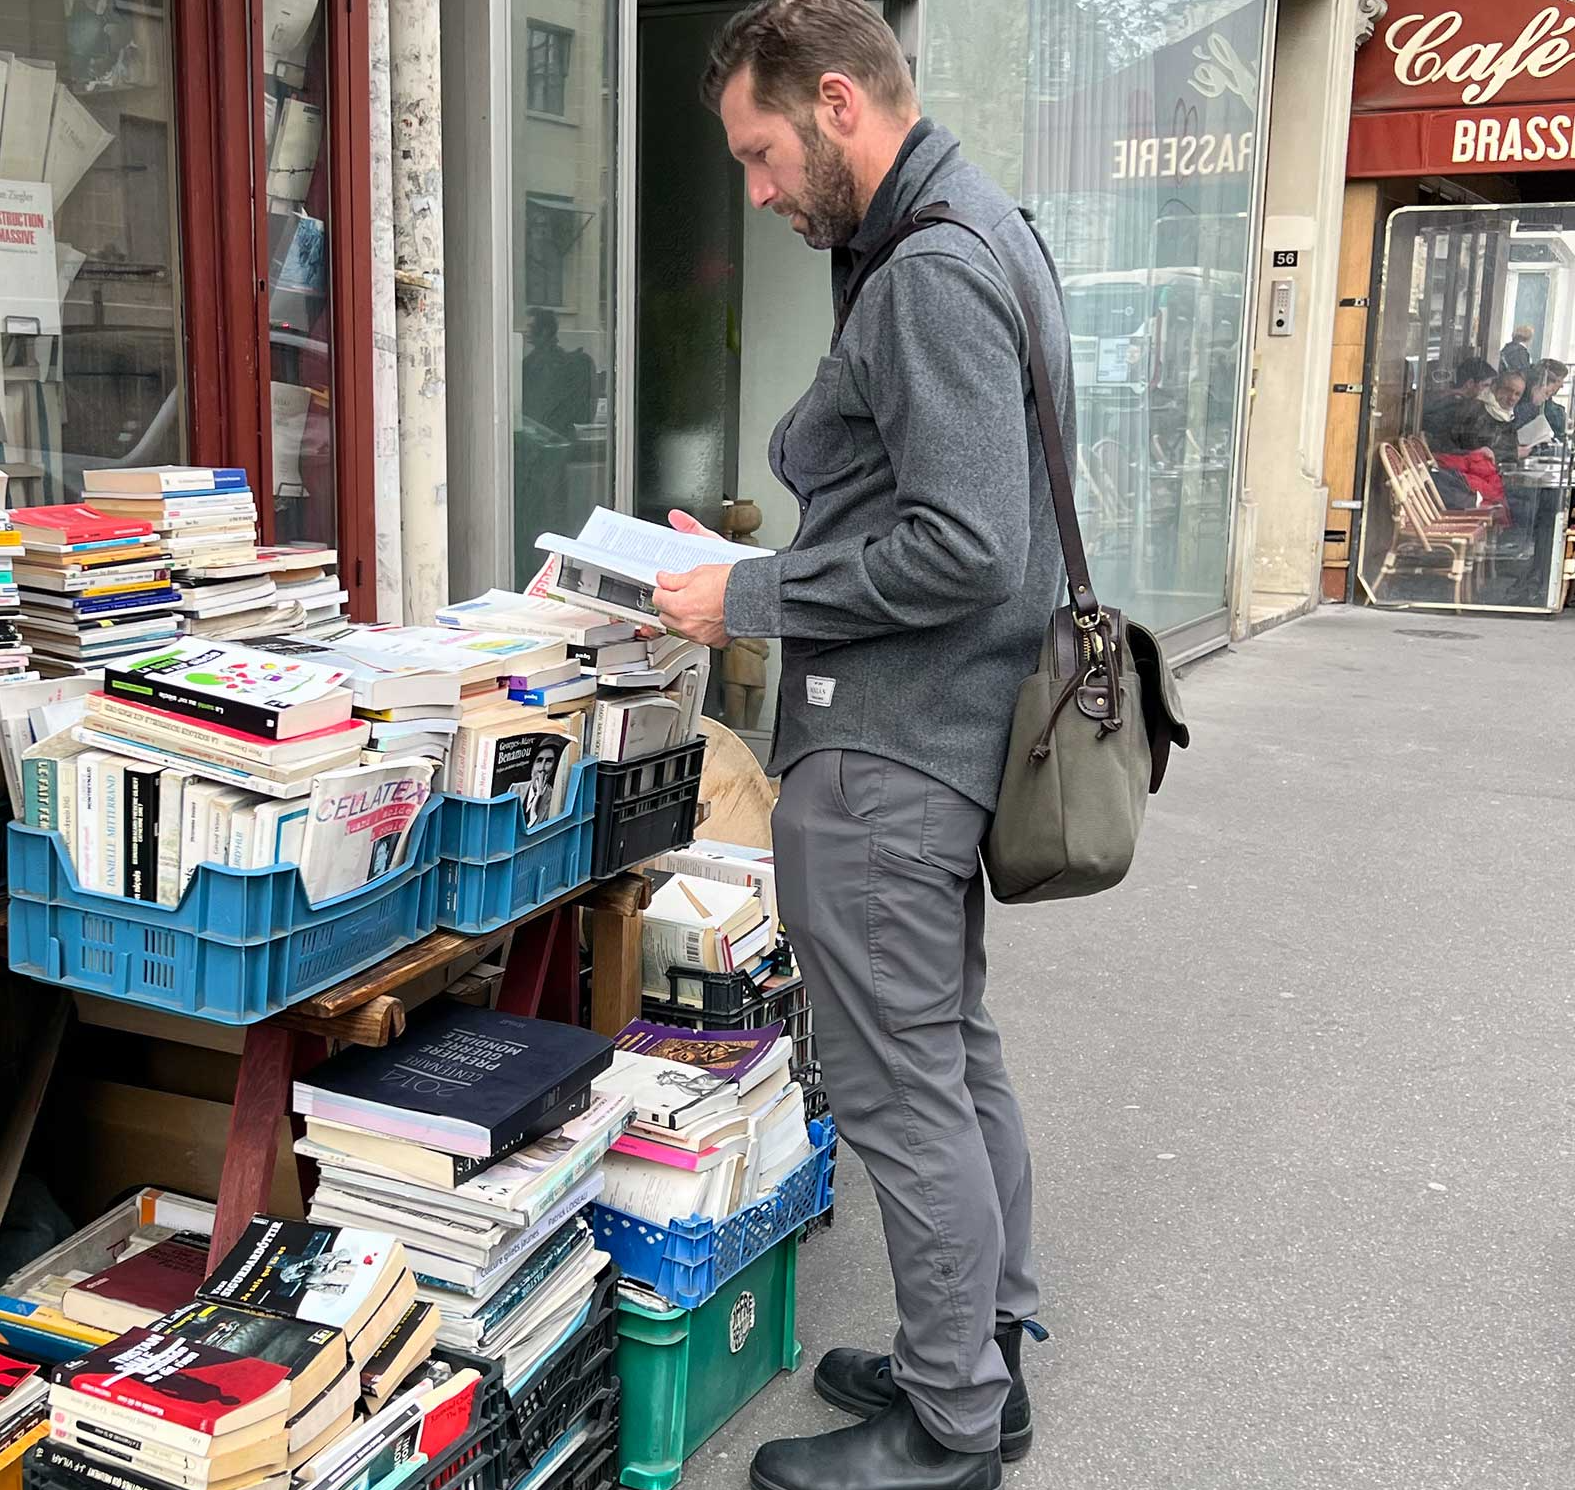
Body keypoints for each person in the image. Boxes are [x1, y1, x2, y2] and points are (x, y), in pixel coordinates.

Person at [649, 5, 1067, 1486]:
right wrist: (751, 559)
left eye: (761, 155)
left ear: (837, 105)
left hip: (892, 741)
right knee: (947, 1052)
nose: (757, 192)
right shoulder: (979, 229)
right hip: (941, 731)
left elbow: (965, 541)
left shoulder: (932, 269)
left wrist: (754, 591)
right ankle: (983, 1350)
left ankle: (953, 1418)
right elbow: (928, 496)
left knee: (900, 1084)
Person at [521, 309, 597, 439]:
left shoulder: (554, 364)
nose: (525, 331)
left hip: (552, 438)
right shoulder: (533, 362)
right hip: (542, 436)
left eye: (530, 326)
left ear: (544, 331)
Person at [1444, 366, 1531, 464]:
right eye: (1508, 390)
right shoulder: (1476, 410)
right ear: (1494, 388)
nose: (1512, 397)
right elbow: (1476, 451)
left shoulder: (1507, 416)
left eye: (1517, 394)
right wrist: (1513, 453)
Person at [1421, 355, 1492, 442]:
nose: (1487, 391)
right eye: (1485, 385)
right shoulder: (1451, 407)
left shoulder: (1466, 405)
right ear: (1470, 383)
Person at [1518, 358, 1572, 445]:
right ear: (1540, 384)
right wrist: (1533, 405)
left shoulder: (1540, 398)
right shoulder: (1520, 396)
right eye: (1559, 380)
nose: (1561, 385)